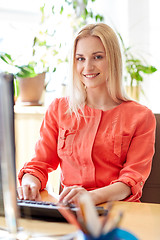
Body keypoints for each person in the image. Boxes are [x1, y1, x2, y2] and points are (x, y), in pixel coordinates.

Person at [17, 23, 156, 205]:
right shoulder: (59, 109)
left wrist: (91, 197)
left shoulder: (141, 117)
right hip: (71, 212)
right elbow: (39, 164)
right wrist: (29, 183)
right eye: (80, 59)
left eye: (97, 57)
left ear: (113, 60)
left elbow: (131, 180)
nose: (87, 67)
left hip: (118, 214)